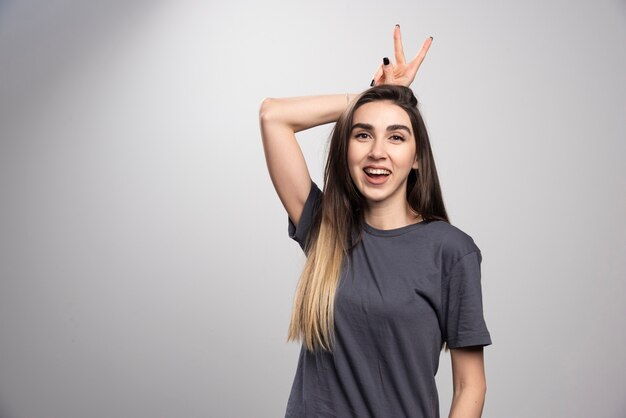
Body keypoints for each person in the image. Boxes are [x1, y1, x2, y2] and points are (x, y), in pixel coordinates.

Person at [259, 25, 491, 418]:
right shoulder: (324, 227)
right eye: (363, 135)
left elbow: (470, 385)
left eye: (397, 137)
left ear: (417, 158)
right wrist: (371, 95)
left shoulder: (451, 251)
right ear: (346, 149)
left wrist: (381, 105)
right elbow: (273, 116)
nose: (378, 152)